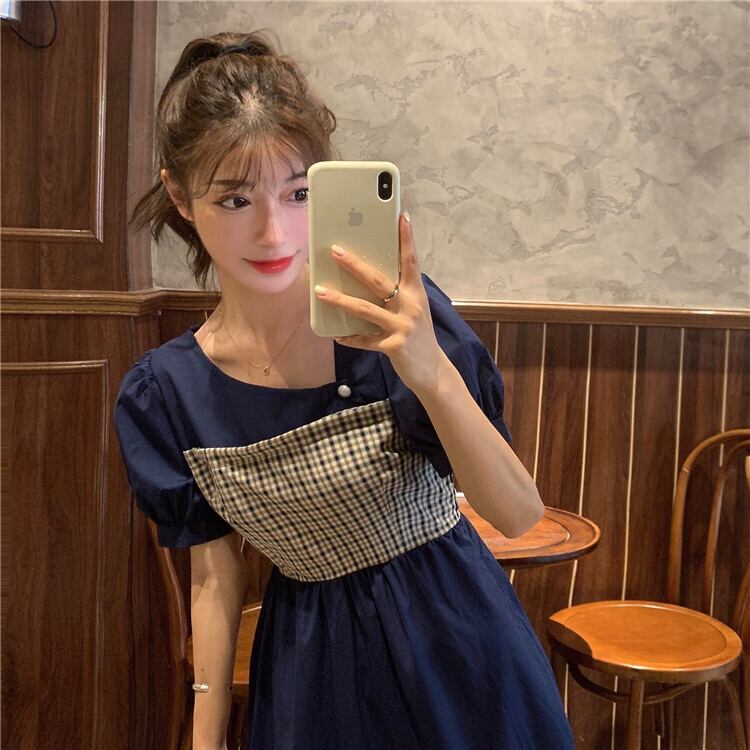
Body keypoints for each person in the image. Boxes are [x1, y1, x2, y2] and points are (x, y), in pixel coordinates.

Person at [115, 31, 575, 750]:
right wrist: (205, 735)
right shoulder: (166, 393)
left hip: (461, 647)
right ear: (180, 197)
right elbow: (213, 574)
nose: (272, 232)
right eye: (234, 198)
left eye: (299, 193)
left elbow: (517, 514)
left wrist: (428, 368)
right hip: (311, 674)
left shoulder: (396, 319)